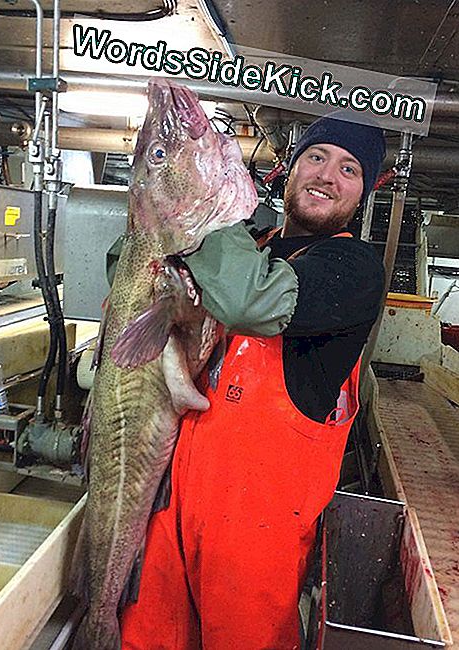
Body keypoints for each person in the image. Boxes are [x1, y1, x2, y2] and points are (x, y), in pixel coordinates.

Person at [120, 114, 386, 649]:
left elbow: (246, 301)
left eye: (350, 169)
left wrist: (198, 206)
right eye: (317, 156)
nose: (328, 175)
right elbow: (137, 271)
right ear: (289, 168)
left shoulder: (352, 268)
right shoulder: (252, 246)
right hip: (171, 509)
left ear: (361, 194)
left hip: (255, 542)